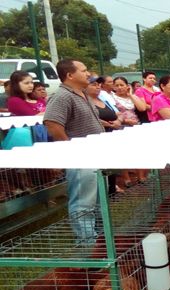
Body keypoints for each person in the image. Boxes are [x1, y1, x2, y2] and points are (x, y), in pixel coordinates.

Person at [43, 59, 105, 244]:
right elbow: (52, 124)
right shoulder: (62, 96)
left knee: (97, 202)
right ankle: (87, 246)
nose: (88, 74)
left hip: (94, 156)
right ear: (70, 75)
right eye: (84, 70)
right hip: (80, 158)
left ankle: (101, 243)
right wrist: (71, 149)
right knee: (83, 203)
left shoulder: (82, 93)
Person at [112, 76, 148, 187]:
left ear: (127, 86)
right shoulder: (112, 98)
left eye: (121, 85)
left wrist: (130, 94)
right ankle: (126, 179)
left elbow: (142, 108)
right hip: (121, 128)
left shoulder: (132, 97)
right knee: (123, 154)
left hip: (136, 127)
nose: (119, 87)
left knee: (139, 152)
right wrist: (126, 121)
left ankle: (141, 177)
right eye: (116, 85)